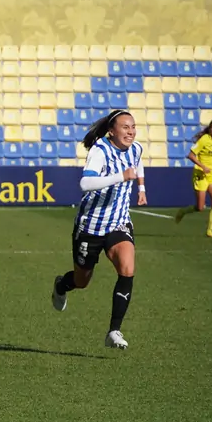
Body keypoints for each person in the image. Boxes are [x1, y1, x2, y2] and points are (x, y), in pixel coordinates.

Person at [51, 109, 147, 350]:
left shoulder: (136, 149)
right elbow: (86, 183)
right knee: (82, 281)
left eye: (133, 127)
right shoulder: (100, 151)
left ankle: (114, 331)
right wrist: (120, 176)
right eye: (125, 127)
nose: (131, 131)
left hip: (119, 222)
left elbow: (138, 164)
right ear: (111, 131)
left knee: (127, 269)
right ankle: (62, 285)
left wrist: (141, 187)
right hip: (91, 225)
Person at [176, 119, 212, 239]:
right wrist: (203, 166)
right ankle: (183, 212)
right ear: (210, 129)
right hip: (200, 174)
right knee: (200, 207)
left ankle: (210, 230)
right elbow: (190, 155)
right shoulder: (203, 140)